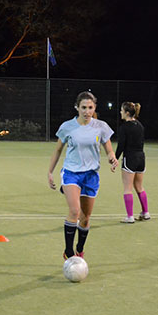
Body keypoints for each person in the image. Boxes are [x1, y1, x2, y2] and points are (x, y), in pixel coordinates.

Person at [48, 91, 118, 260]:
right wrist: (50, 172)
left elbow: (108, 148)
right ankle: (69, 252)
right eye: (83, 108)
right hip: (71, 172)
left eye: (90, 108)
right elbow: (58, 150)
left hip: (91, 175)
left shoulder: (101, 126)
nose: (87, 111)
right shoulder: (67, 127)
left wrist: (112, 157)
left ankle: (80, 248)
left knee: (85, 219)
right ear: (77, 108)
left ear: (94, 108)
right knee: (74, 210)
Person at [115, 101, 150, 223]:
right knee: (139, 186)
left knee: (127, 188)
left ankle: (130, 216)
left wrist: (115, 159)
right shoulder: (140, 125)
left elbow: (121, 146)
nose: (120, 112)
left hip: (130, 158)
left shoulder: (124, 127)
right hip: (141, 158)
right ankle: (145, 213)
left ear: (127, 113)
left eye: (122, 110)